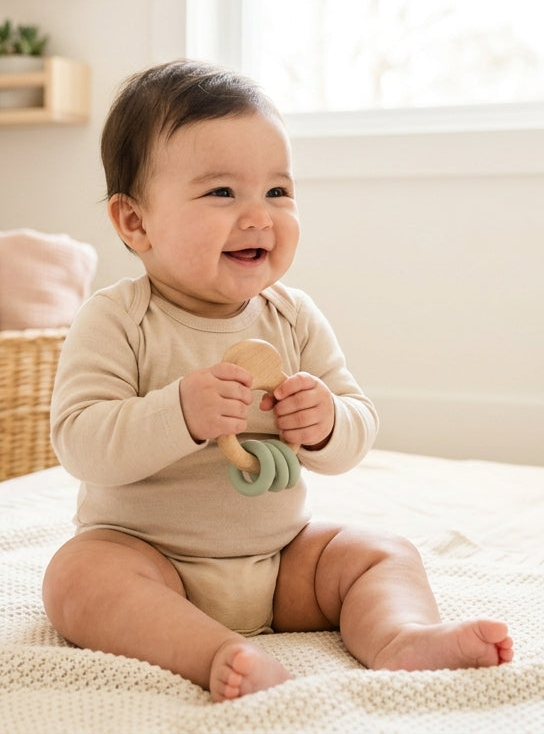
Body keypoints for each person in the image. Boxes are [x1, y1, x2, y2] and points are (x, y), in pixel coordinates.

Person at [42, 59, 513, 703]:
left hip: (283, 560)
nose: (259, 217)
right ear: (135, 222)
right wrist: (178, 411)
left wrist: (325, 424)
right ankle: (215, 653)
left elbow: (357, 422)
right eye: (221, 193)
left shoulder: (292, 316)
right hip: (152, 557)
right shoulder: (118, 319)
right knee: (77, 579)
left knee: (381, 550)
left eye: (278, 191)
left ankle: (402, 638)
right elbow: (79, 440)